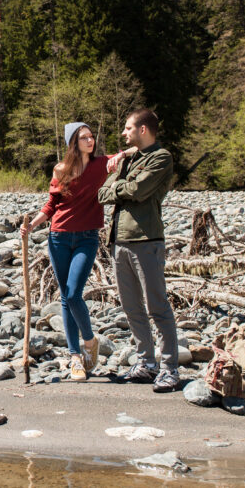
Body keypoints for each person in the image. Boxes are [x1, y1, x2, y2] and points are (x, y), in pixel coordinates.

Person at [21, 122, 134, 382]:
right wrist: (32, 226)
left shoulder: (101, 164)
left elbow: (128, 153)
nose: (90, 140)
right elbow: (52, 204)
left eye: (91, 136)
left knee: (73, 294)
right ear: (73, 142)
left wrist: (125, 153)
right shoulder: (61, 169)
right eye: (84, 137)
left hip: (87, 237)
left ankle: (90, 341)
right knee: (65, 297)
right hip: (58, 237)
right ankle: (74, 357)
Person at [97, 108, 179, 393]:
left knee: (157, 307)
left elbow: (139, 190)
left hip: (146, 240)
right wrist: (123, 180)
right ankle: (146, 363)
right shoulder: (128, 160)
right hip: (119, 241)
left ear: (143, 130)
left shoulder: (161, 157)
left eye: (128, 128)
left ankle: (170, 368)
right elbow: (102, 194)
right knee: (131, 307)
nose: (124, 133)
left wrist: (121, 186)